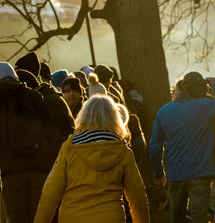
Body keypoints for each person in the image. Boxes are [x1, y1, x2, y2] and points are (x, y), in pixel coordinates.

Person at [34, 95, 149, 223]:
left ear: (84, 116)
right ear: (115, 119)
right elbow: (138, 198)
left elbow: (50, 193)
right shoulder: (123, 151)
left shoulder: (70, 147)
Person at [149, 72, 215, 223]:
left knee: (176, 217)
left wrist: (158, 173)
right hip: (200, 173)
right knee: (199, 217)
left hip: (175, 172)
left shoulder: (164, 111)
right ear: (201, 90)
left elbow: (155, 146)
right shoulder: (205, 106)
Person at [0, 62, 51, 223]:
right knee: (38, 217)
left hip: (11, 170)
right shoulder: (33, 97)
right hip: (38, 168)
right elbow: (49, 128)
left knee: (16, 217)